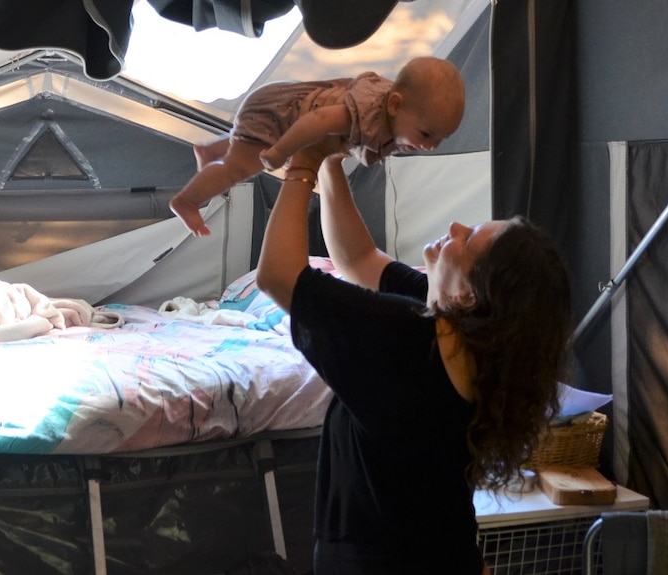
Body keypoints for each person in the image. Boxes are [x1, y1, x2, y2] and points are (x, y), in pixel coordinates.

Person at [255, 140, 573, 574]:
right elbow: (358, 258)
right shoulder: (465, 340)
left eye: (470, 240)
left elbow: (277, 275)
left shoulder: (406, 337)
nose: (457, 227)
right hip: (443, 553)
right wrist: (331, 161)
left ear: (468, 294)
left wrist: (302, 167)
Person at [170, 56, 466, 237]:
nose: (431, 146)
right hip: (278, 112)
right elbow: (318, 120)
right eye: (426, 135)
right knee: (242, 166)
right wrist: (280, 152)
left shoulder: (396, 107)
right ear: (395, 105)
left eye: (440, 139)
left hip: (285, 109)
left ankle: (211, 150)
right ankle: (187, 201)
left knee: (244, 143)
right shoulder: (361, 113)